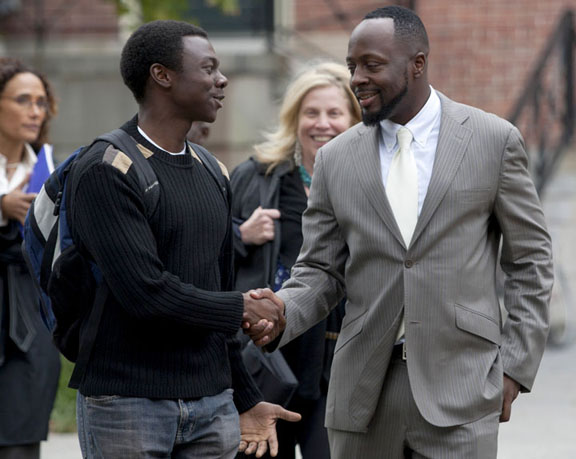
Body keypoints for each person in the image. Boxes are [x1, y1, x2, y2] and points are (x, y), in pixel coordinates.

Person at [246, 6, 554, 458]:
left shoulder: (493, 140)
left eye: (372, 65)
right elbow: (319, 271)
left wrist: (514, 368)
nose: (357, 79)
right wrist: (283, 310)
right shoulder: (337, 158)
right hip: (362, 396)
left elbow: (530, 260)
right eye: (353, 66)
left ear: (417, 63)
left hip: (463, 392)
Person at [65, 20, 298, 459]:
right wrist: (242, 307)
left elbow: (216, 296)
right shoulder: (106, 168)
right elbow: (145, 293)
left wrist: (244, 397)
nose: (221, 79)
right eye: (208, 68)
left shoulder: (212, 170)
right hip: (126, 406)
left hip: (212, 406)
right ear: (163, 75)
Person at [232, 62, 360, 459]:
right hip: (271, 362)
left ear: (354, 119)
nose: (322, 124)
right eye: (312, 113)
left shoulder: (370, 179)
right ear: (295, 119)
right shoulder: (257, 177)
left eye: (335, 113)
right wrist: (241, 234)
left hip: (341, 364)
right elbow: (210, 254)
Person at [0, 57, 61, 459]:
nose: (35, 111)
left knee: (20, 448)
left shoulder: (48, 169)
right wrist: (2, 206)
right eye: (23, 100)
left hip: (27, 326)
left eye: (41, 102)